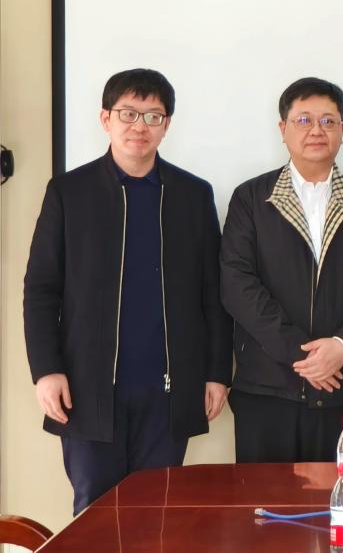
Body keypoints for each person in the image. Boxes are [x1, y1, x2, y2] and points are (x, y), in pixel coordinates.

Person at [23, 69, 232, 514]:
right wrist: (46, 370)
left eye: (153, 116)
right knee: (95, 515)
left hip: (168, 392)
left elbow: (213, 295)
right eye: (129, 114)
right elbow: (41, 289)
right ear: (106, 119)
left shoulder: (193, 195)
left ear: (166, 125)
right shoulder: (69, 192)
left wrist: (217, 372)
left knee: (157, 517)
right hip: (88, 389)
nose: (140, 126)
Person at [220, 77, 343, 462]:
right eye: (304, 120)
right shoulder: (251, 199)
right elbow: (236, 283)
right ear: (283, 129)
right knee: (262, 498)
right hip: (266, 387)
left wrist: (342, 346)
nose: (316, 130)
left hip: (341, 387)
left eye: (328, 121)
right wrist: (303, 355)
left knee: (339, 495)